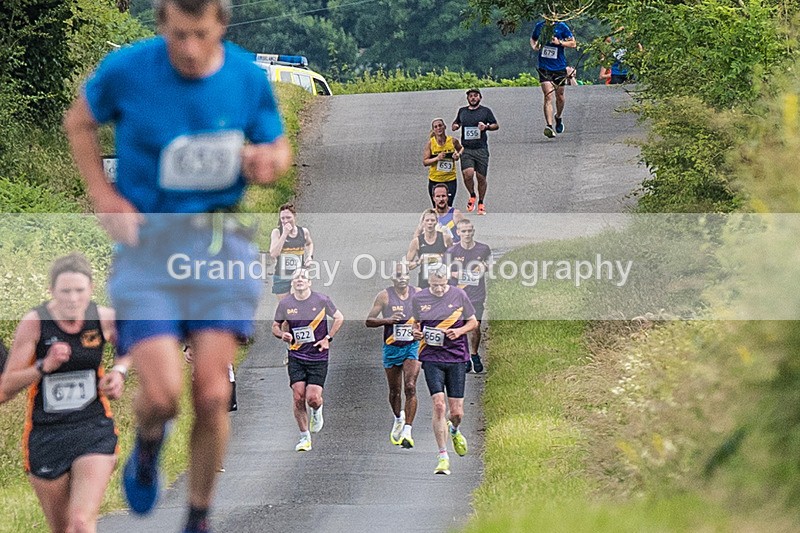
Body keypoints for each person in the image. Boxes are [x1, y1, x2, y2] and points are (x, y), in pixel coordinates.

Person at [63, 0, 292, 530]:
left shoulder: (244, 78)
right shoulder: (129, 71)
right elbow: (79, 122)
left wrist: (267, 161)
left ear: (222, 26)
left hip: (218, 244)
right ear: (162, 24)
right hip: (147, 249)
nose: (188, 50)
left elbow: (275, 147)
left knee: (213, 393)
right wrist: (103, 196)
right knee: (163, 396)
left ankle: (197, 516)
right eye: (178, 36)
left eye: (200, 36)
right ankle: (148, 445)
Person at [0, 252, 129, 533]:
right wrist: (43, 367)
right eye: (65, 292)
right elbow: (4, 390)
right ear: (51, 291)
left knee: (81, 523)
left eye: (80, 291)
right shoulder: (35, 323)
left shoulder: (104, 318)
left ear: (92, 290)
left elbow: (132, 345)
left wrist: (119, 372)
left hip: (93, 429)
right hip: (46, 435)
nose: (73, 299)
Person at [410, 266, 478, 475]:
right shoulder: (419, 299)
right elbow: (415, 324)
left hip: (456, 357)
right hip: (431, 357)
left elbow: (473, 322)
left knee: (456, 412)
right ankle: (442, 456)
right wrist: (416, 333)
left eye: (441, 285)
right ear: (428, 282)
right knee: (439, 405)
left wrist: (459, 331)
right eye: (434, 285)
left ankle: (454, 429)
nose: (438, 289)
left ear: (447, 280)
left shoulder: (459, 295)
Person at [272, 269, 344, 452]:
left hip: (318, 355)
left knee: (312, 398)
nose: (299, 280)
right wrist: (282, 335)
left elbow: (339, 318)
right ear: (292, 283)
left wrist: (328, 338)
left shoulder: (322, 300)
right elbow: (275, 326)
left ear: (309, 282)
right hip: (296, 355)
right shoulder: (286, 303)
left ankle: (317, 410)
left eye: (303, 277)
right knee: (298, 396)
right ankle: (305, 437)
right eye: (296, 278)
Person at [365, 263, 421, 448]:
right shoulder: (384, 296)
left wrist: (419, 328)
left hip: (412, 346)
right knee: (394, 391)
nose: (402, 278)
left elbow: (428, 315)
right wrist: (387, 320)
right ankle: (398, 418)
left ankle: (408, 430)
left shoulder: (418, 294)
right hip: (391, 348)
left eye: (405, 274)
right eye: (398, 275)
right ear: (392, 278)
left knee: (410, 386)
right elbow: (368, 321)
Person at [448, 219, 492, 373]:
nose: (467, 234)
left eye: (469, 231)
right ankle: (465, 356)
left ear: (473, 232)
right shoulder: (452, 251)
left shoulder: (483, 249)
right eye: (463, 231)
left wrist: (483, 267)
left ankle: (474, 354)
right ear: (458, 233)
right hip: (458, 295)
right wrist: (455, 273)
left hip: (477, 295)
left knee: (475, 325)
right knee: (460, 326)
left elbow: (490, 265)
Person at [452, 89, 498, 216]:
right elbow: (456, 122)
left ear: (480, 97)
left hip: (481, 148)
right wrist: (455, 125)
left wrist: (486, 127)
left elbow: (495, 125)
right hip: (466, 149)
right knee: (468, 174)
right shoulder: (462, 111)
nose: (473, 98)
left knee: (481, 178)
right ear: (467, 98)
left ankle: (481, 202)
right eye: (470, 96)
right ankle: (472, 195)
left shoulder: (485, 111)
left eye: (475, 96)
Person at [530, 19, 577, 138]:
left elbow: (573, 43)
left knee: (560, 96)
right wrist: (535, 46)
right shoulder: (539, 26)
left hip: (559, 67)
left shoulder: (562, 26)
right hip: (544, 67)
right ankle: (549, 126)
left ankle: (558, 117)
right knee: (548, 95)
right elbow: (533, 38)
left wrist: (559, 43)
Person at [269, 203, 314, 300]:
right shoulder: (277, 232)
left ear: (294, 216)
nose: (285, 221)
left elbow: (309, 244)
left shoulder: (303, 232)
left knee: (297, 304)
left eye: (288, 217)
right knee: (285, 307)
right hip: (281, 275)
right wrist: (284, 234)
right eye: (282, 218)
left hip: (298, 275)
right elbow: (273, 254)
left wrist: (310, 257)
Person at [406, 209, 452, 290]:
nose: (430, 223)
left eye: (432, 220)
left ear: (437, 222)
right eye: (427, 220)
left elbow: (453, 258)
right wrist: (418, 262)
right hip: (424, 282)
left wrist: (442, 259)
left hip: (442, 281)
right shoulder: (416, 241)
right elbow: (407, 265)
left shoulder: (445, 238)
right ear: (423, 222)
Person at [422, 118, 463, 208]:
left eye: (440, 125)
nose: (438, 128)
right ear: (433, 130)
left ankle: (447, 221)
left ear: (444, 127)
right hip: (435, 180)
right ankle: (438, 222)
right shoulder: (430, 143)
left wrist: (458, 155)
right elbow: (425, 162)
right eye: (435, 127)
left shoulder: (452, 141)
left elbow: (461, 149)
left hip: (450, 179)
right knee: (437, 207)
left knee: (448, 206)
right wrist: (437, 158)